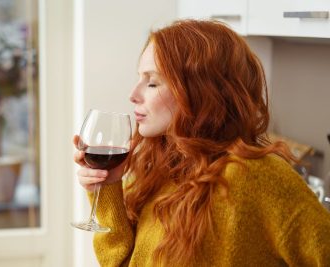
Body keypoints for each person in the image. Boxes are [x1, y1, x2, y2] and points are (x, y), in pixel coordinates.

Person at [73, 19, 330, 266]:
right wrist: (108, 187)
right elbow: (120, 262)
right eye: (139, 78)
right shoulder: (164, 172)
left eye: (152, 82)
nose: (133, 95)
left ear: (200, 91)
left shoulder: (254, 176)